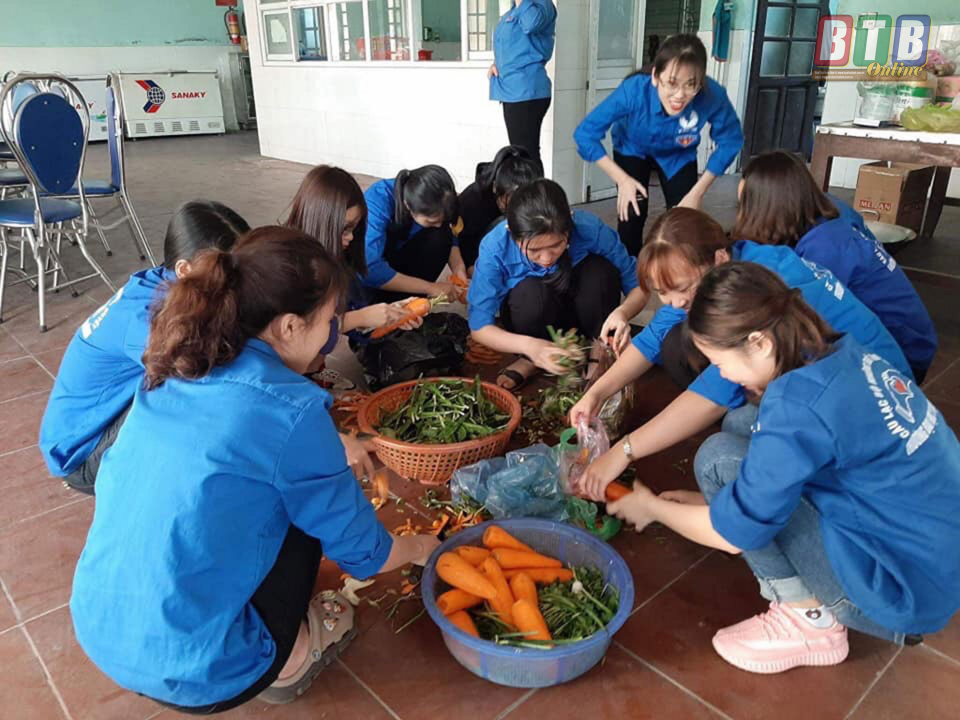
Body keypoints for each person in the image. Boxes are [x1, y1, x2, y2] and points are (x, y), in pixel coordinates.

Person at [70, 227, 440, 713]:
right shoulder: (294, 408)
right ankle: (294, 656)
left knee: (262, 496)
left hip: (100, 629)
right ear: (289, 327)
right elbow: (367, 556)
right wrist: (425, 547)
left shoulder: (178, 363)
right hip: (204, 671)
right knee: (305, 517)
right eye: (329, 320)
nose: (332, 334)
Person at [606, 262, 960, 673]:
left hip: (899, 592)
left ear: (759, 342)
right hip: (933, 556)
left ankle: (809, 621)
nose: (722, 374)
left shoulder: (796, 408)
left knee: (719, 458)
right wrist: (713, 502)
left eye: (719, 362)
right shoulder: (834, 351)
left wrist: (651, 508)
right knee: (742, 422)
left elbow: (730, 536)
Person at [571, 208, 914, 501]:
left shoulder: (752, 293)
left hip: (872, 407)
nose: (674, 302)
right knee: (736, 420)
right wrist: (597, 393)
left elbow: (710, 397)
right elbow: (652, 339)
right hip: (853, 387)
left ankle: (779, 503)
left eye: (683, 289)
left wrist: (624, 451)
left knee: (718, 453)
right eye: (663, 292)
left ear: (719, 259)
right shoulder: (731, 268)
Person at [38, 200, 250, 494]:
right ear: (184, 268)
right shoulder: (146, 316)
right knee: (195, 391)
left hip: (99, 424)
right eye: (226, 272)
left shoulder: (168, 282)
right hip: (82, 454)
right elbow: (211, 376)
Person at [733, 150, 937, 382]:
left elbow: (806, 320)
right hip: (916, 338)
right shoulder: (830, 209)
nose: (741, 217)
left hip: (903, 354)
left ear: (769, 207)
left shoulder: (824, 249)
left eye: (745, 206)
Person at [468, 179, 647, 390]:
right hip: (535, 319)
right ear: (511, 232)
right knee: (529, 293)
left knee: (600, 272)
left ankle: (597, 351)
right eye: (534, 250)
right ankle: (532, 359)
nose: (546, 258)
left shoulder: (590, 228)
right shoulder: (495, 246)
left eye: (556, 245)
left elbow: (639, 287)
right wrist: (531, 347)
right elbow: (479, 327)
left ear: (570, 224)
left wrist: (623, 313)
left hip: (584, 315)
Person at [574, 33, 743, 256]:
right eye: (671, 83)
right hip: (632, 149)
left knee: (685, 220)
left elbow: (731, 141)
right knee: (632, 214)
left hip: (678, 155)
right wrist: (622, 180)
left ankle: (677, 270)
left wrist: (697, 193)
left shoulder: (712, 95)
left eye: (691, 85)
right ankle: (631, 269)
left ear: (700, 83)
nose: (679, 95)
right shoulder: (634, 90)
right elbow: (585, 134)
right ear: (655, 76)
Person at [286, 164, 423, 337]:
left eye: (354, 229)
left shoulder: (341, 260)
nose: (351, 237)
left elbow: (348, 318)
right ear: (320, 221)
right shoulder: (288, 269)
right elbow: (298, 334)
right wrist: (360, 318)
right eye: (345, 229)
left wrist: (390, 314)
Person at [362, 165, 464, 303]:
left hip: (403, 256)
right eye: (431, 221)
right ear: (408, 205)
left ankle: (413, 300)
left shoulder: (438, 202)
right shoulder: (378, 201)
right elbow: (370, 268)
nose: (439, 225)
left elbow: (450, 232)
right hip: (372, 270)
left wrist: (458, 268)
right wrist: (430, 288)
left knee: (441, 236)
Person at [488, 0, 557, 164]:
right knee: (519, 153)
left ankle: (535, 182)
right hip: (510, 91)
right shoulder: (512, 12)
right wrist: (496, 64)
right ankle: (529, 182)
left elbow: (531, 24)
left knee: (526, 154)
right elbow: (510, 47)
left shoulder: (542, 6)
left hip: (527, 91)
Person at [457, 145, 543, 272]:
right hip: (479, 252)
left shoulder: (537, 195)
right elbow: (462, 241)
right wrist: (470, 267)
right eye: (510, 202)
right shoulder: (473, 201)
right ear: (495, 187)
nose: (516, 206)